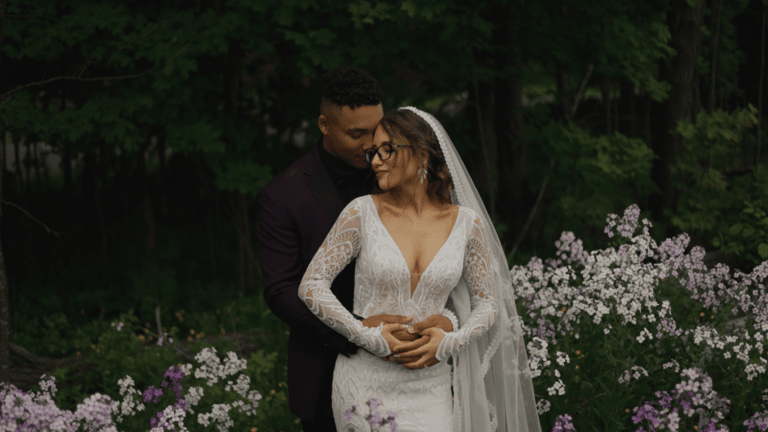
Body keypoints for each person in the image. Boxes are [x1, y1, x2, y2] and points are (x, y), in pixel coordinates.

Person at [297, 105, 543, 431]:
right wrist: (367, 336)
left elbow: (488, 303)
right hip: (364, 380)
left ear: (422, 154)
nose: (375, 160)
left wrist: (449, 341)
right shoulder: (361, 212)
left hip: (430, 386)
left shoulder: (467, 224)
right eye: (373, 151)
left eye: (387, 149)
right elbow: (311, 285)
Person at [257, 66, 457, 432]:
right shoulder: (284, 195)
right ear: (324, 124)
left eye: (376, 129)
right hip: (325, 361)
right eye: (356, 133)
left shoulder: (404, 171)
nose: (370, 145)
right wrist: (356, 332)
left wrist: (444, 325)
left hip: (415, 367)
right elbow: (280, 289)